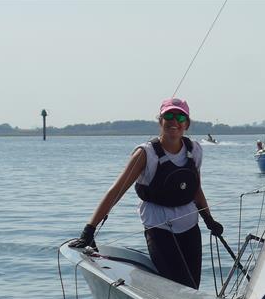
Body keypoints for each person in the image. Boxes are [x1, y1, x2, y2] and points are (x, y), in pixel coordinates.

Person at [69, 97, 222, 289]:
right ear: (160, 121)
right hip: (159, 229)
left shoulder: (194, 150)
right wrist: (89, 230)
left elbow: (195, 189)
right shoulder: (146, 154)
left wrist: (209, 219)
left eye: (181, 117)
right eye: (169, 116)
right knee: (178, 286)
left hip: (190, 227)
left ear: (187, 124)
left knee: (192, 289)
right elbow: (116, 191)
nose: (175, 121)